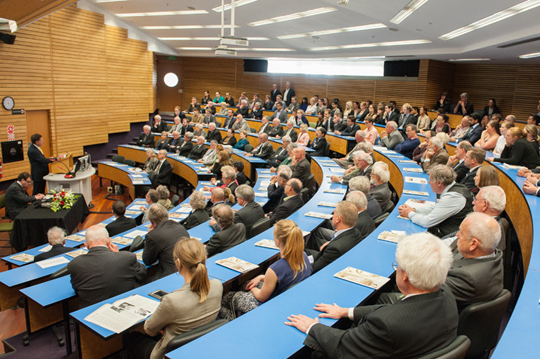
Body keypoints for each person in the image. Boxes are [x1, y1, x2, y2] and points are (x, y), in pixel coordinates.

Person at [286, 232, 458, 359]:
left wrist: (312, 327)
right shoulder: (446, 295)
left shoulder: (386, 324)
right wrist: (347, 312)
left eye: (397, 265)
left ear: (405, 276)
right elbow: (393, 309)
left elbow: (344, 346)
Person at [125, 237, 222, 359]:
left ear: (179, 264)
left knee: (130, 337)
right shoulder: (217, 285)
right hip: (199, 347)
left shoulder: (172, 301)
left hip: (166, 354)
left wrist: (166, 329)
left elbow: (149, 330)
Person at [220, 219, 311, 321]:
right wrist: (262, 277)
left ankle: (233, 323)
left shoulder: (275, 269)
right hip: (289, 297)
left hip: (271, 306)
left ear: (278, 241)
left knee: (227, 297)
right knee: (246, 283)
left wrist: (252, 290)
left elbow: (261, 297)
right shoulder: (303, 255)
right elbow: (285, 275)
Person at [68, 225, 146, 308]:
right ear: (108, 241)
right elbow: (142, 273)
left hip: (93, 313)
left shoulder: (74, 264)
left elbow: (77, 289)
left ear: (86, 245)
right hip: (127, 307)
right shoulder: (127, 257)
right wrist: (118, 254)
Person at [398, 165, 474, 237]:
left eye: (430, 180)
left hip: (444, 236)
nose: (429, 182)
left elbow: (427, 222)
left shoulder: (453, 197)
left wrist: (409, 213)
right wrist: (414, 209)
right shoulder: (455, 188)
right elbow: (436, 208)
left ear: (439, 183)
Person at [305, 201, 361, 273]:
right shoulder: (356, 233)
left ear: (338, 219)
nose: (332, 216)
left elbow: (313, 269)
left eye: (334, 213)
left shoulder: (334, 249)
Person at [143, 204, 189, 281]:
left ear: (151, 222)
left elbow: (147, 261)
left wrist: (149, 236)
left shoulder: (153, 235)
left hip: (170, 275)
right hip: (187, 269)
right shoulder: (179, 226)